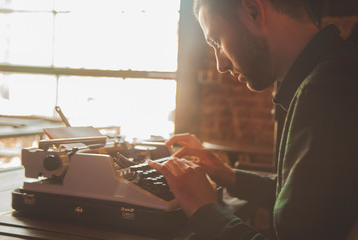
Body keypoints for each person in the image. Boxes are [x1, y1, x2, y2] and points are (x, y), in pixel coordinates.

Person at [148, 0, 358, 239]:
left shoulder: (328, 91)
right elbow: (308, 202)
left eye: (217, 40)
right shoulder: (336, 73)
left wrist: (203, 209)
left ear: (253, 11)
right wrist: (228, 175)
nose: (220, 64)